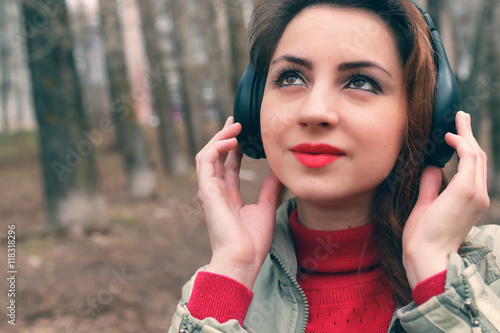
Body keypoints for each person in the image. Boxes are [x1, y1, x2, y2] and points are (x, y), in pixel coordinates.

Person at [169, 0, 500, 332]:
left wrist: (436, 278)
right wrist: (232, 272)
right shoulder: (217, 289)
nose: (315, 111)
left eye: (360, 82)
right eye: (291, 77)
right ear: (252, 108)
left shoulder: (493, 268)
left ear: (421, 116)